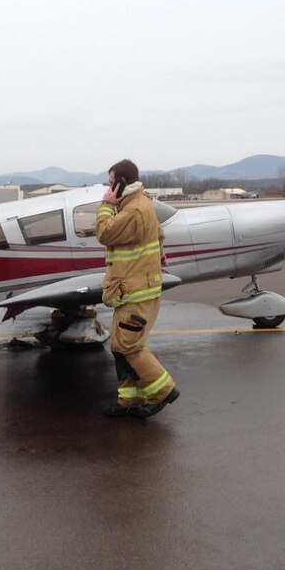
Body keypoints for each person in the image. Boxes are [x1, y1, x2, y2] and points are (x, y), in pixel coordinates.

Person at [95, 159, 179, 418]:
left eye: (111, 184)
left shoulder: (133, 210)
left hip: (135, 292)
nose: (108, 190)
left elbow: (104, 233)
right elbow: (158, 236)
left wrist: (107, 204)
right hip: (130, 290)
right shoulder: (139, 203)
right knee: (120, 346)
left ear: (121, 182)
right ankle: (129, 400)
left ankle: (164, 391)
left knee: (129, 346)